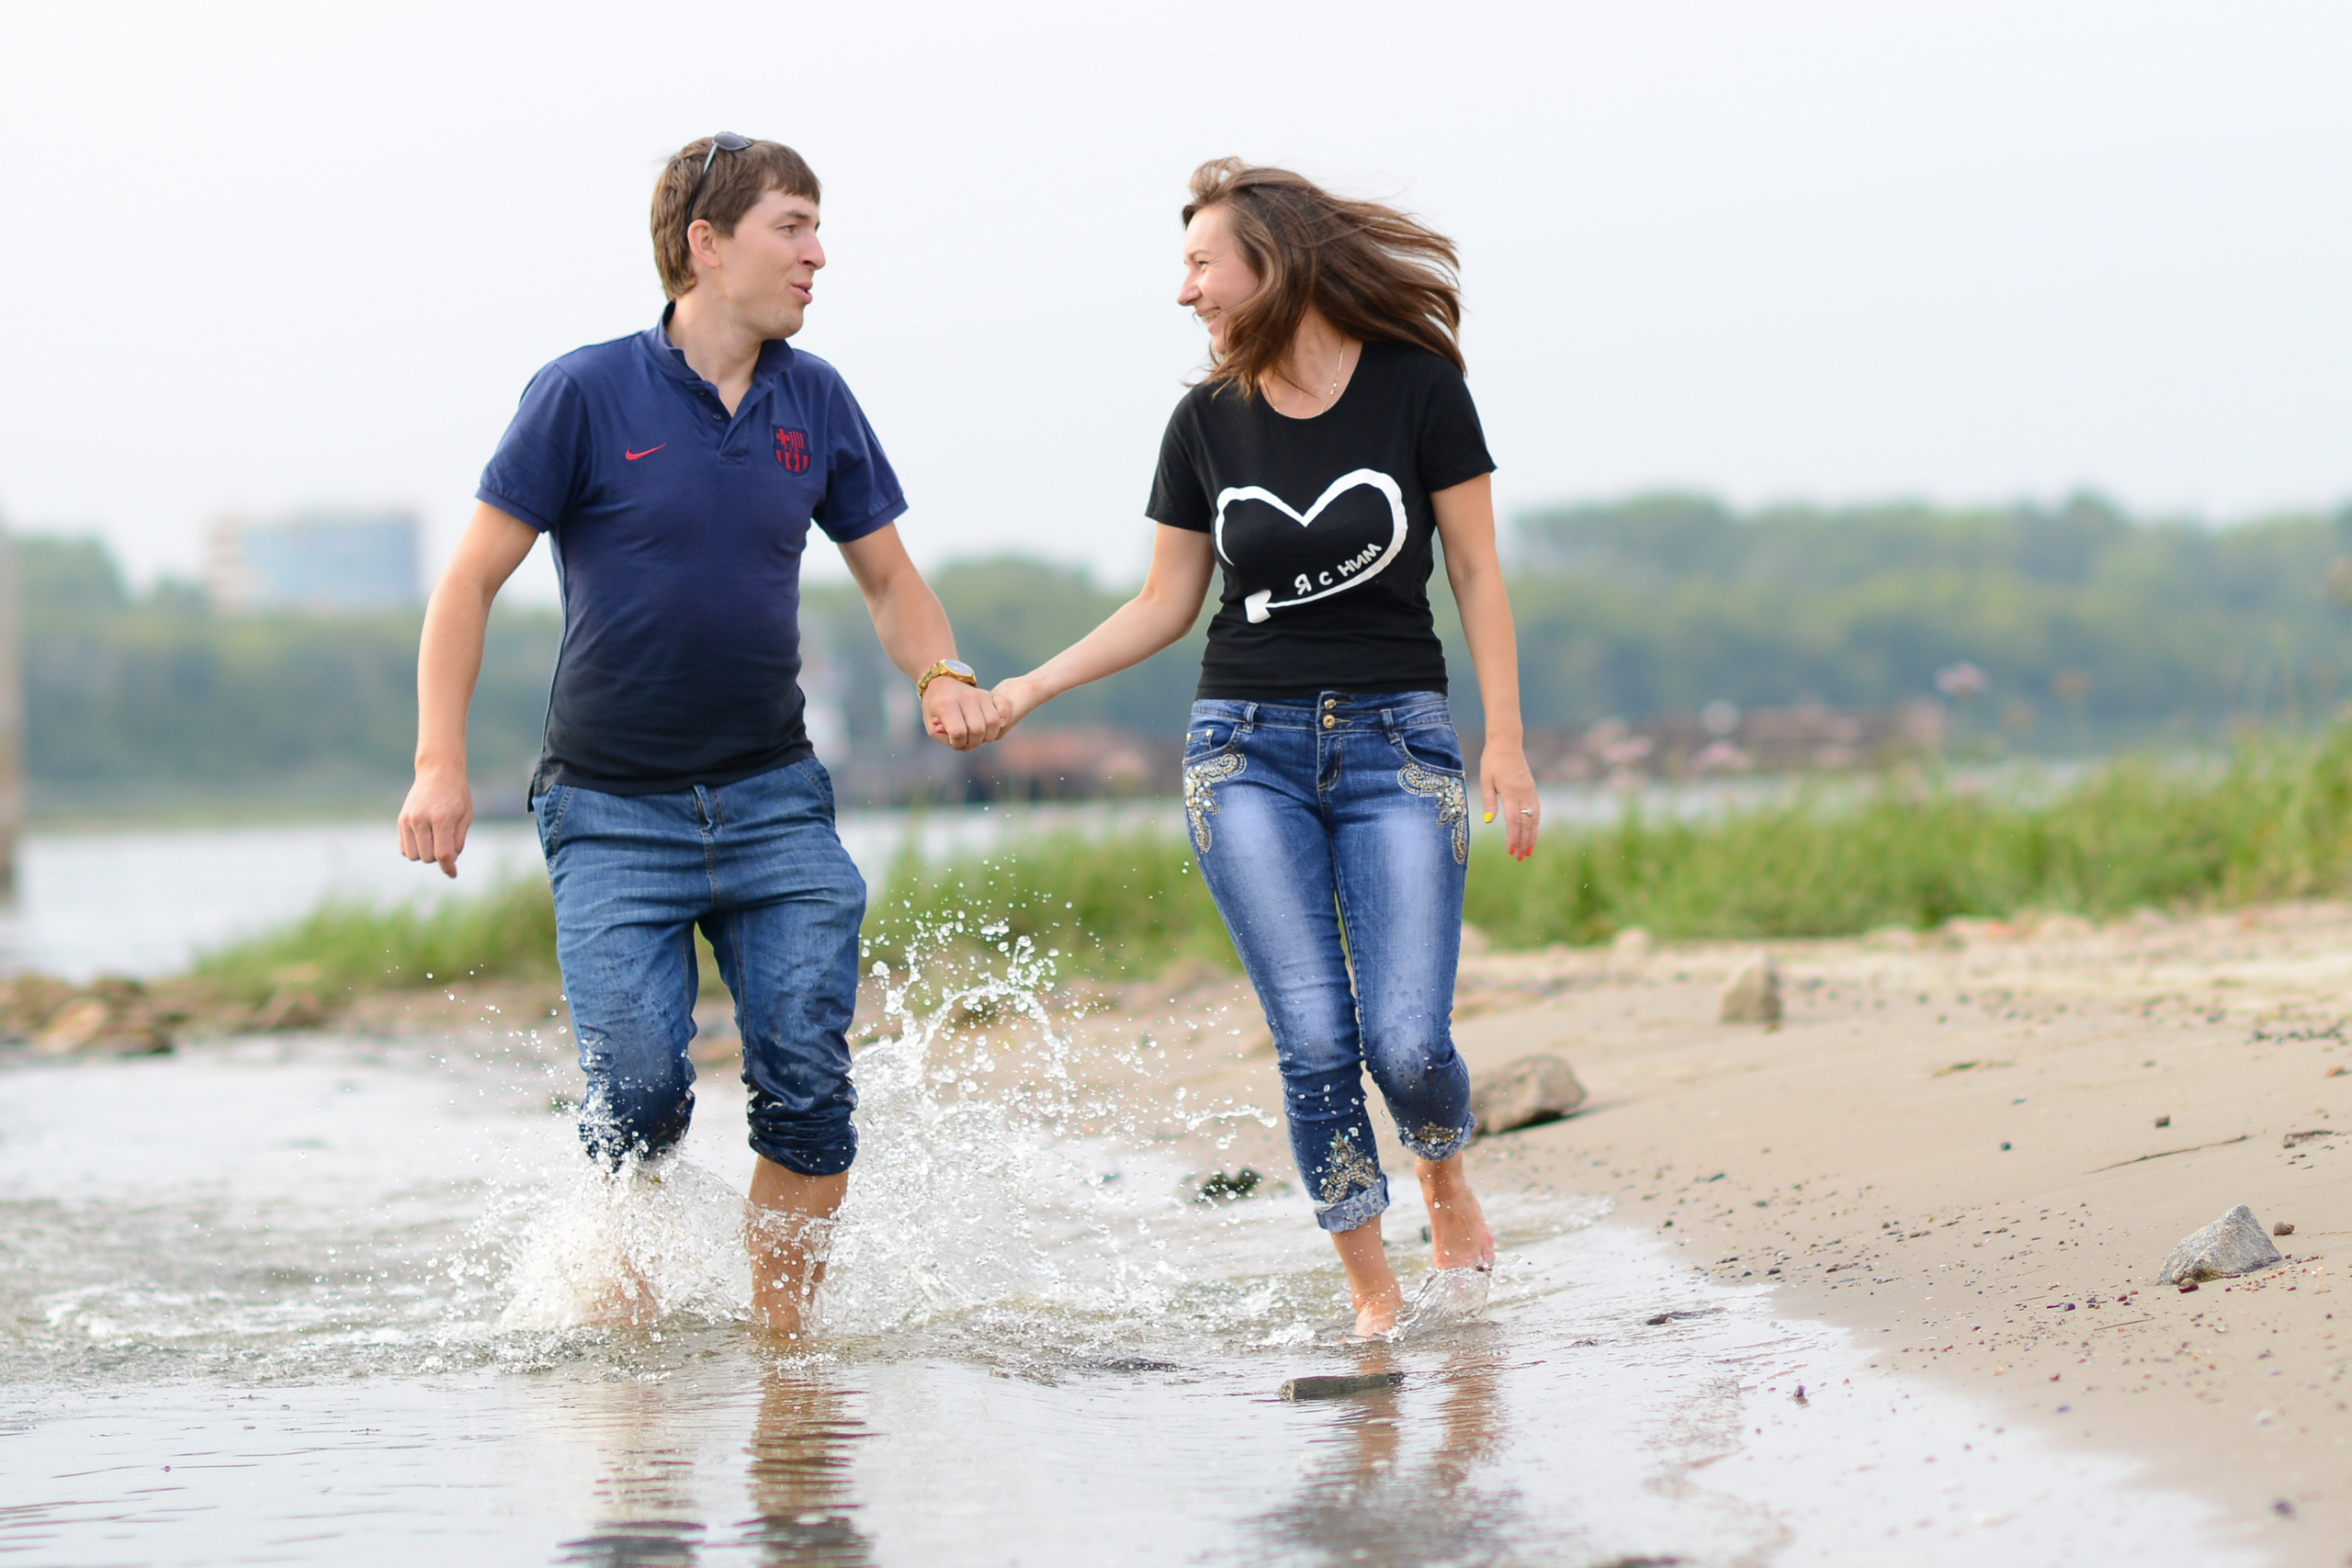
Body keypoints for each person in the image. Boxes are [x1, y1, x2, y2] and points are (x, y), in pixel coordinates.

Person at [397, 134, 1001, 1337]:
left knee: (811, 1086)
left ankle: (785, 1355)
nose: (817, 254)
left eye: (818, 227)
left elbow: (888, 580)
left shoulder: (814, 398)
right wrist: (439, 761)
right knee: (637, 1090)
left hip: (775, 800)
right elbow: (467, 581)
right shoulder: (582, 393)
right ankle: (623, 1323)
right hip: (613, 808)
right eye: (792, 226)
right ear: (704, 244)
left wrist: (941, 671)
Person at [989, 159, 1541, 1339]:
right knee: (1312, 1040)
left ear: (1269, 262)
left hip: (1401, 744)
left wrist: (1507, 744)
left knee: (1405, 1039)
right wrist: (1031, 687)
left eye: (1200, 263)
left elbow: (1479, 573)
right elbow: (1161, 604)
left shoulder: (1418, 389)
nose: (1184, 291)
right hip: (1243, 750)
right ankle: (1373, 1296)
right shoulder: (1203, 423)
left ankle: (1442, 1170)